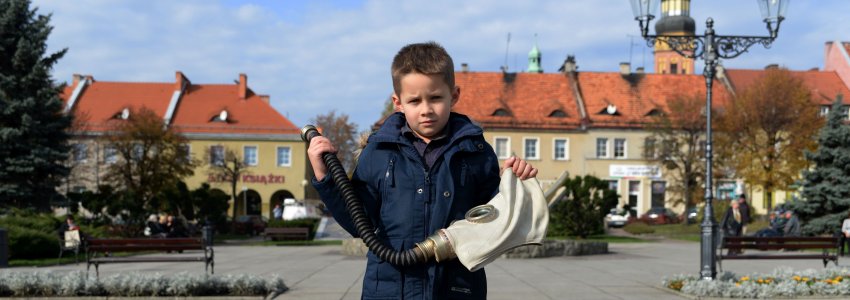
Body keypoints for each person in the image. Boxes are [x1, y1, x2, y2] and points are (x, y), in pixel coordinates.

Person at [308, 41, 538, 300]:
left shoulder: (476, 151)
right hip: (389, 290)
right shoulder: (378, 152)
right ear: (398, 102)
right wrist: (324, 175)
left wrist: (514, 184)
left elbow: (493, 220)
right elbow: (358, 222)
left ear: (455, 95)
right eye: (414, 101)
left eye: (436, 98)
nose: (426, 109)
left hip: (457, 288)